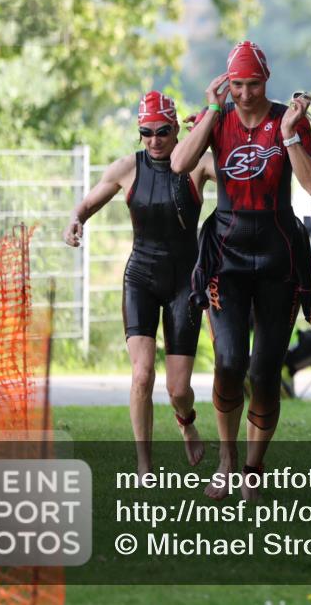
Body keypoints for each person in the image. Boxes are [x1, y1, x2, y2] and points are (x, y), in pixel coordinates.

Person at [170, 41, 311, 501]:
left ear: (267, 80)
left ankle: (253, 471)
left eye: (252, 84)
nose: (244, 93)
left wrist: (292, 134)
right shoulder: (217, 118)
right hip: (227, 255)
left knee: (264, 369)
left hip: (278, 254)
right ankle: (227, 459)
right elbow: (179, 164)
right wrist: (213, 112)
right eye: (236, 84)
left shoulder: (285, 120)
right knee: (230, 361)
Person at [63, 91, 216, 475]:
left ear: (175, 128)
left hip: (185, 281)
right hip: (142, 279)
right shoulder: (126, 169)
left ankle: (187, 423)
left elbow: (234, 170)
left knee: (178, 390)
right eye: (145, 132)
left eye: (162, 131)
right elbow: (87, 203)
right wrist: (75, 220)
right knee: (142, 374)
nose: (154, 140)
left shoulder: (196, 165)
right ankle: (145, 465)